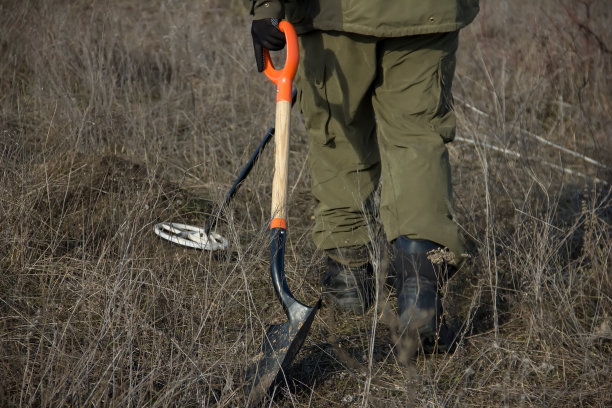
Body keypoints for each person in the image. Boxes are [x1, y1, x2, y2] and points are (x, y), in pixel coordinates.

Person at [249, 0, 479, 354]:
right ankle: (419, 295)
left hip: (334, 14)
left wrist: (267, 7)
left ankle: (348, 275)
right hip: (427, 12)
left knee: (338, 135)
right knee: (417, 138)